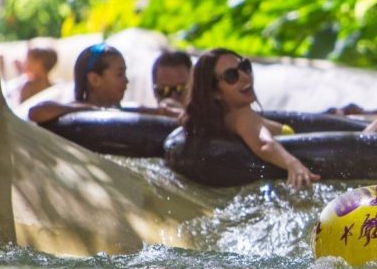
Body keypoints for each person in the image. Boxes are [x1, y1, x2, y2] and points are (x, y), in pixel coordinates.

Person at [184, 48, 319, 189]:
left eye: (244, 66)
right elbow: (264, 144)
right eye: (231, 75)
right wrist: (292, 163)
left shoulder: (220, 120)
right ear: (215, 92)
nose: (245, 76)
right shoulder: (242, 115)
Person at [28, 43, 182, 124]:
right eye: (120, 74)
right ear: (94, 79)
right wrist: (95, 110)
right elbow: (36, 112)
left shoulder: (124, 110)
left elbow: (163, 112)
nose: (126, 80)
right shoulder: (71, 110)